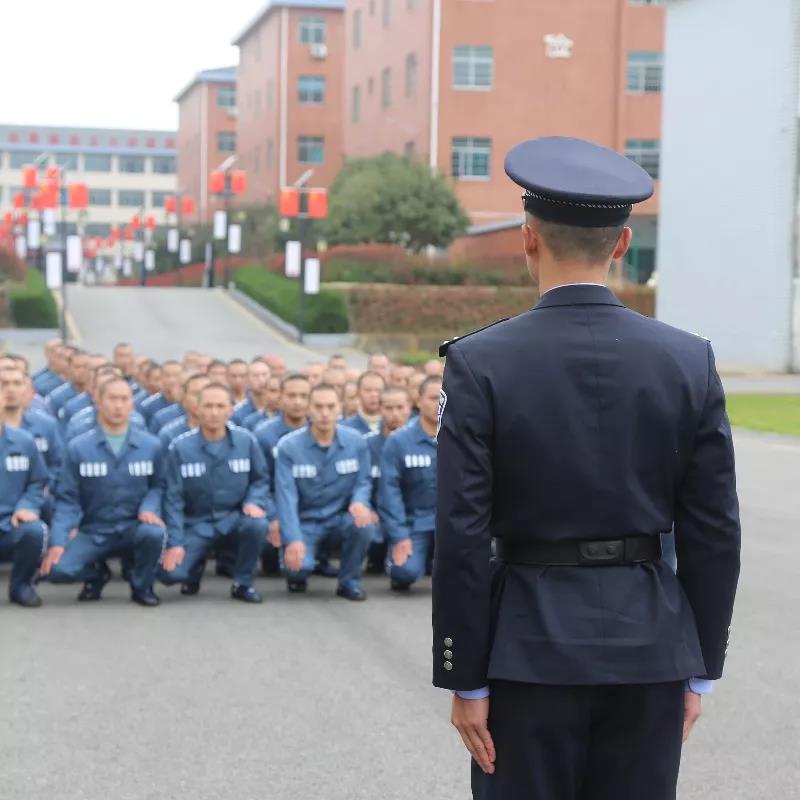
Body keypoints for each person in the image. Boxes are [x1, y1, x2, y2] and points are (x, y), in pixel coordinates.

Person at [432, 136, 741, 800]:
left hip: (525, 651)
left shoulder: (482, 362)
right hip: (651, 648)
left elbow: (461, 533)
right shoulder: (688, 361)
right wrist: (700, 668)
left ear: (528, 238)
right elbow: (714, 532)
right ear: (623, 244)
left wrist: (465, 677)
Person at [40, 377, 166, 606]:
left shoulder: (151, 446)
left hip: (132, 525)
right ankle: (96, 574)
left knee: (153, 534)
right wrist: (59, 540)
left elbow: (159, 486)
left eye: (124, 399)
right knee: (58, 571)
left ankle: (142, 585)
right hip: (94, 529)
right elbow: (68, 498)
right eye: (112, 399)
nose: (118, 405)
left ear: (132, 403)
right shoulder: (78, 447)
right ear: (98, 401)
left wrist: (149, 508)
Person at [158, 383, 269, 603]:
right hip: (196, 523)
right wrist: (176, 542)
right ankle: (193, 568)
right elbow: (173, 498)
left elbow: (261, 479)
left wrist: (254, 501)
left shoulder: (246, 441)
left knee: (257, 525)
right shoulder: (180, 447)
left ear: (231, 409)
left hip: (233, 518)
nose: (214, 412)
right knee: (169, 575)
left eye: (220, 406)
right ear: (197, 409)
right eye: (208, 406)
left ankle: (243, 583)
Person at [274, 383, 373, 601]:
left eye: (330, 406)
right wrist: (293, 539)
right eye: (318, 407)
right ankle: (300, 568)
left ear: (340, 407)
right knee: (297, 569)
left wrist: (359, 501)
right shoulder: (289, 447)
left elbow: (363, 481)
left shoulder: (356, 442)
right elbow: (286, 497)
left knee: (362, 524)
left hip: (339, 520)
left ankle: (349, 581)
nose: (325, 413)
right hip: (305, 523)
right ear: (309, 408)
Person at [378, 376, 439, 591]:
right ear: (418, 400)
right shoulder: (399, 441)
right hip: (416, 523)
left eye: (443, 397)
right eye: (433, 398)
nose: (439, 403)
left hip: (451, 525)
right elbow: (389, 491)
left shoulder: (461, 436)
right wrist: (399, 536)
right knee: (404, 571)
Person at [253, 373, 311, 574]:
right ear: (281, 397)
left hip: (311, 507)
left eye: (304, 396)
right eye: (291, 395)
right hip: (276, 505)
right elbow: (260, 482)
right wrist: (274, 515)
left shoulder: (322, 431)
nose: (297, 402)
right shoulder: (263, 435)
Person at [0, 383, 48, 607]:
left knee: (34, 531)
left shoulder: (23, 441)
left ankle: (21, 586)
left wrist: (27, 506)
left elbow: (37, 481)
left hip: (10, 522)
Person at [1, 367, 64, 523]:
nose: (10, 389)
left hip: (36, 499)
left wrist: (45, 488)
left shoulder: (46, 425)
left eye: (17, 383)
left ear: (27, 388)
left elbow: (58, 464)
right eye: (4, 383)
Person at [363, 387, 413, 573]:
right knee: (372, 532)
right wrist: (367, 508)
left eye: (400, 407)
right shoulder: (365, 445)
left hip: (411, 516)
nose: (395, 414)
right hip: (378, 514)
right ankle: (375, 558)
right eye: (389, 408)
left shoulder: (426, 441)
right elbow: (358, 484)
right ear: (380, 410)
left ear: (409, 407)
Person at [158, 374, 211, 448]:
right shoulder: (169, 434)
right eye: (196, 394)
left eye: (206, 394)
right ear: (184, 397)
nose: (201, 399)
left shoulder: (231, 431)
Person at [140, 360, 183, 427]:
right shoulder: (148, 406)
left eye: (176, 375)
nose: (171, 380)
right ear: (160, 377)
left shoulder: (188, 405)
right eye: (167, 375)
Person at [231, 358, 272, 426]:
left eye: (264, 375)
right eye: (255, 376)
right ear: (247, 379)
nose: (261, 380)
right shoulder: (238, 414)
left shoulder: (280, 410)